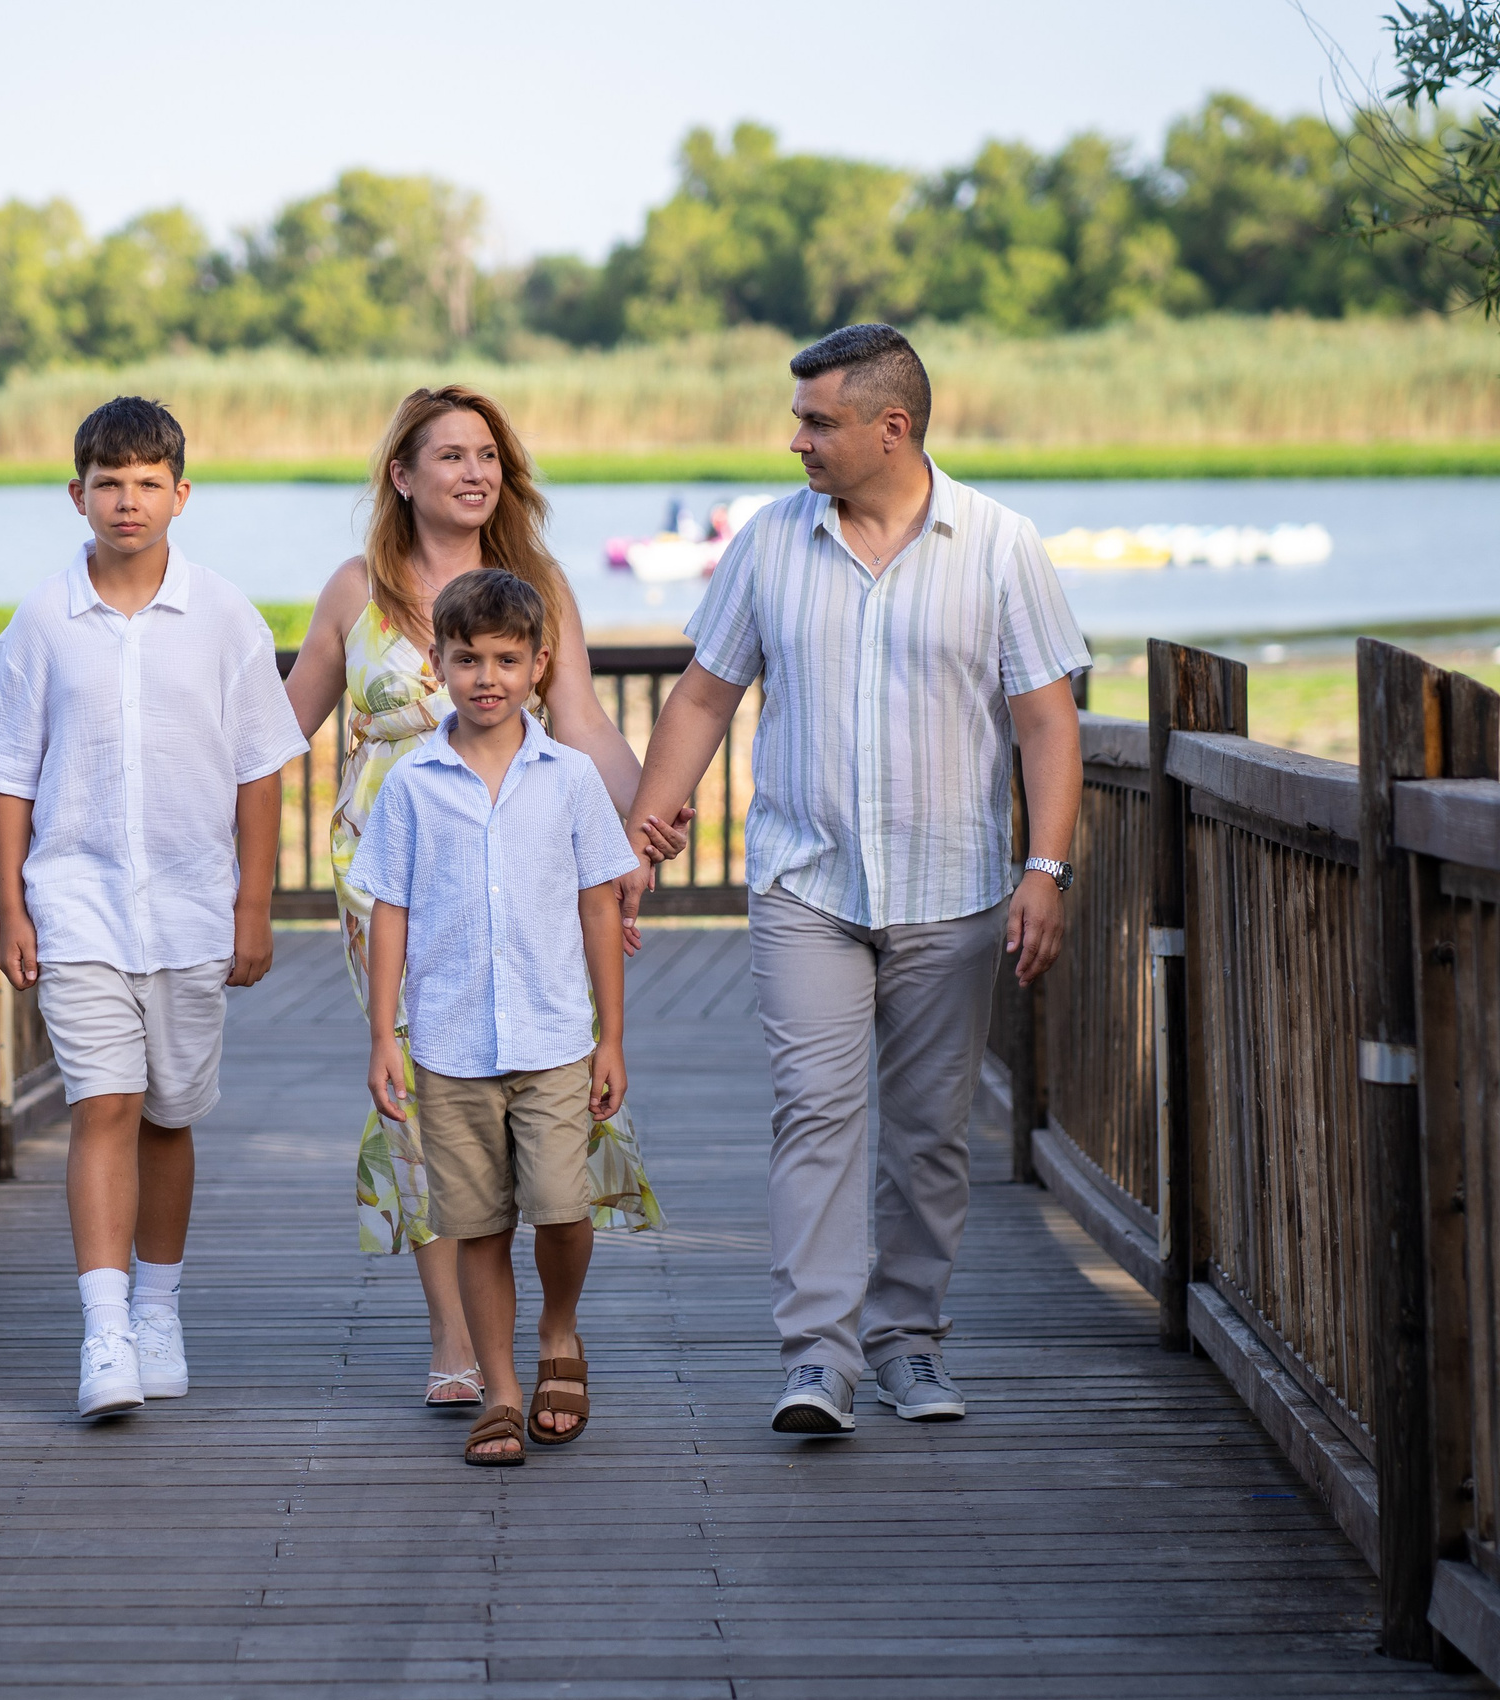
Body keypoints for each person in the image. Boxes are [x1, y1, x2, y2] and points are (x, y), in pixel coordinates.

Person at [617, 324, 1087, 1433]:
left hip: (955, 889)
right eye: (798, 419)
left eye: (817, 421)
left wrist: (1045, 869)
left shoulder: (1000, 545)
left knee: (928, 1133)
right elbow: (700, 697)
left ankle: (907, 1341)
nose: (796, 442)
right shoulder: (769, 544)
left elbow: (1045, 723)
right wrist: (641, 830)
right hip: (804, 882)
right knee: (814, 1116)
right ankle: (817, 1359)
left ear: (893, 427)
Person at [282, 385, 670, 1410]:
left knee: (536, 1062)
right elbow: (278, 729)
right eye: (448, 455)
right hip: (394, 874)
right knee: (424, 1082)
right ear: (402, 476)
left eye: (487, 455)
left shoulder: (534, 584)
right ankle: (453, 1333)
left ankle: (543, 1320)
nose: (473, 472)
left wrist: (638, 831)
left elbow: (581, 721)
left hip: (528, 872)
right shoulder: (352, 591)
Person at [0, 395, 308, 1419]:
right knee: (101, 1104)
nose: (127, 500)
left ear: (181, 495)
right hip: (76, 904)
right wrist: (12, 908)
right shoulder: (39, 621)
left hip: (194, 908)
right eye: (108, 482)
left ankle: (158, 1307)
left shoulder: (224, 617)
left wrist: (256, 905)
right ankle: (104, 1332)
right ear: (76, 495)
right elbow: (9, 776)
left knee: (168, 1113)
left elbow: (260, 769)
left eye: (148, 482)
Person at [350, 568, 639, 1465]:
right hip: (448, 1042)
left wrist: (612, 1037)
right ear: (436, 663)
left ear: (539, 664)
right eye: (467, 657)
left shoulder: (572, 779)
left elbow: (600, 905)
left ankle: (560, 1330)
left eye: (507, 660)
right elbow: (388, 909)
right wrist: (384, 1038)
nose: (487, 677)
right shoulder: (410, 786)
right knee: (476, 1222)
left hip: (554, 1036)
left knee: (560, 1206)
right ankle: (503, 1389)